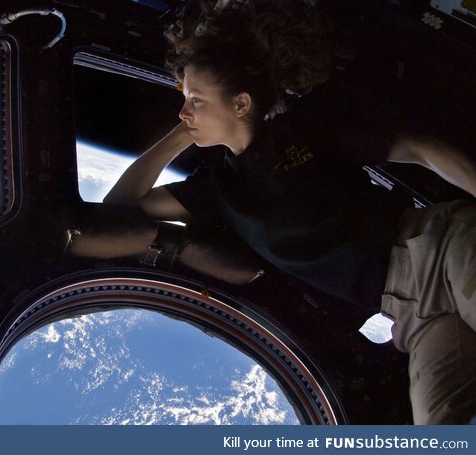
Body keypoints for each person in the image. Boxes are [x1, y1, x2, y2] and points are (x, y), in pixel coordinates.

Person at [67, 0, 476, 423]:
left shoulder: (307, 127)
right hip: (412, 315)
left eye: (195, 99)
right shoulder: (219, 190)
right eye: (184, 98)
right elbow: (113, 212)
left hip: (441, 250)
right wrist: (177, 139)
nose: (184, 111)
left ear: (241, 104)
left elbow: (423, 150)